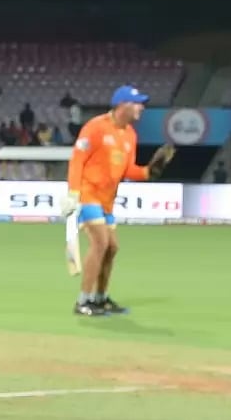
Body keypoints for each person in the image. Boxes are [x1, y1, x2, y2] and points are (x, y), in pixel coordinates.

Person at [62, 85, 174, 317]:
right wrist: (73, 193)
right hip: (87, 193)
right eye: (137, 103)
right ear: (122, 104)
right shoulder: (95, 127)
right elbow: (77, 160)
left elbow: (127, 169)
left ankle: (100, 299)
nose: (141, 107)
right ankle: (82, 301)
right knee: (101, 242)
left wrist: (149, 172)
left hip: (106, 201)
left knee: (112, 248)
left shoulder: (130, 135)